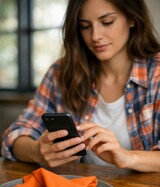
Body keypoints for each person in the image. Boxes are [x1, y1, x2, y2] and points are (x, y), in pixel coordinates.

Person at [1, 0, 160, 172]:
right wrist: (37, 151)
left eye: (107, 22)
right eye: (85, 26)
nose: (95, 36)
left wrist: (127, 157)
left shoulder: (156, 73)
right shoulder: (61, 73)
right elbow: (14, 135)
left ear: (132, 19)